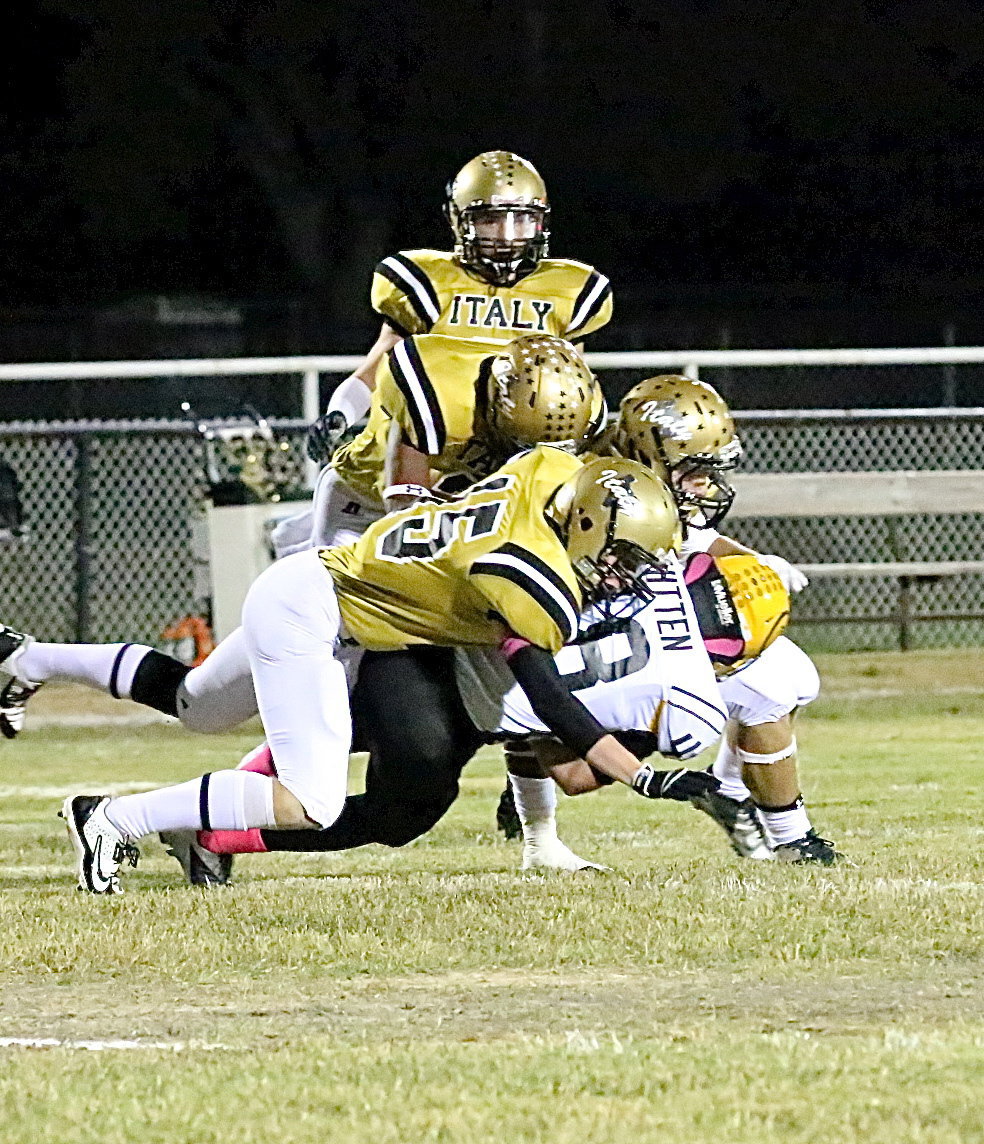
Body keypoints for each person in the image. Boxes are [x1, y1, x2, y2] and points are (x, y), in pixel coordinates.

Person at [54, 450, 695, 893]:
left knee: (200, 709)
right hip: (316, 615)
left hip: (312, 590)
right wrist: (639, 776)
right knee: (313, 803)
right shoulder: (534, 578)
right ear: (583, 525)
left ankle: (37, 665)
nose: (625, 573)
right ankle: (114, 819)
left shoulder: (548, 474)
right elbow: (549, 699)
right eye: (621, 555)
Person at [276, 149, 613, 554]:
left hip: (485, 479)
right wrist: (340, 413)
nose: (507, 236)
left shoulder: (568, 292)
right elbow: (380, 364)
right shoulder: (429, 283)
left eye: (521, 219)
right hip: (381, 480)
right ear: (458, 220)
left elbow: (568, 390)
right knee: (336, 595)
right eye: (490, 219)